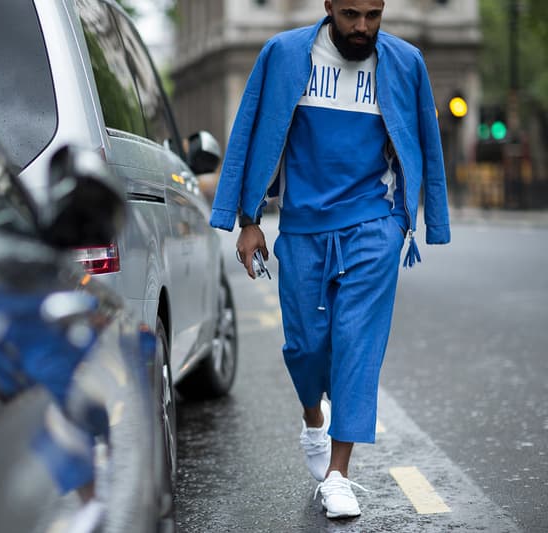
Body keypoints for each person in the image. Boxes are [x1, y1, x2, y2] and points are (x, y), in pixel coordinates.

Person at [209, 0, 450, 520]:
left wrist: (420, 221)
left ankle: (339, 474)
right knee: (305, 346)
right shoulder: (284, 54)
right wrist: (248, 219)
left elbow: (426, 143)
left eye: (373, 14)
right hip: (302, 227)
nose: (362, 27)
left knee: (357, 345)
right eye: (350, 15)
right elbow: (251, 132)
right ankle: (312, 416)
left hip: (374, 225)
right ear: (328, 7)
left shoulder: (405, 62)